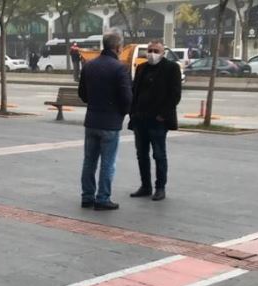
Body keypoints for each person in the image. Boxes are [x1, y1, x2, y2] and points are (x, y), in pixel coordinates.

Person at [77, 31, 131, 211]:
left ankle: (87, 196)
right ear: (117, 47)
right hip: (110, 123)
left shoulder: (89, 66)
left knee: (89, 161)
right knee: (108, 162)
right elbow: (126, 97)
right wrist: (122, 113)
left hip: (91, 120)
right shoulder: (120, 68)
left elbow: (82, 94)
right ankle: (102, 198)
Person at [128, 40, 181, 202]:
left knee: (159, 155)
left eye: (156, 51)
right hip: (140, 119)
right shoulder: (142, 68)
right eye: (150, 50)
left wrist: (163, 115)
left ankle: (160, 187)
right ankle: (145, 186)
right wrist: (133, 112)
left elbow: (175, 95)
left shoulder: (171, 68)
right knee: (141, 155)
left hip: (158, 121)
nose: (152, 53)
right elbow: (134, 91)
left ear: (163, 52)